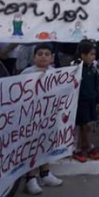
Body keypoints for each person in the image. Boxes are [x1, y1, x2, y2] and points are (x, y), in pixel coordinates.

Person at [21, 44, 63, 195]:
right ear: (34, 57)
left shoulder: (55, 72)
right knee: (32, 148)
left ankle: (45, 174)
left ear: (52, 58)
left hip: (49, 117)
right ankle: (30, 178)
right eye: (40, 54)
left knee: (46, 145)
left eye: (47, 54)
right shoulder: (26, 72)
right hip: (31, 118)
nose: (43, 56)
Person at [72, 40, 99, 163]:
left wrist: (97, 100)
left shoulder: (93, 68)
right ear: (82, 55)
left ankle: (85, 145)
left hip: (91, 99)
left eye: (94, 54)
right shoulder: (76, 68)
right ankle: (81, 147)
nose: (92, 57)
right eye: (90, 54)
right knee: (83, 125)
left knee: (88, 125)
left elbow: (96, 84)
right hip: (80, 101)